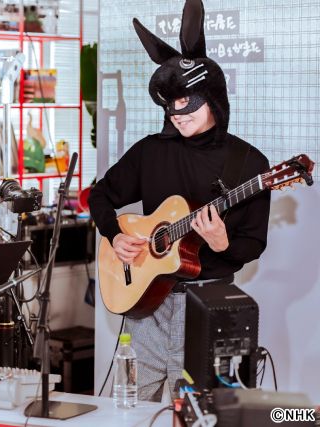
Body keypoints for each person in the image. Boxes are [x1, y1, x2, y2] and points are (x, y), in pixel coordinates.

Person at [88, 0, 271, 402]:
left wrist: (223, 243)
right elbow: (101, 194)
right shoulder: (151, 151)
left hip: (208, 305)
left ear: (215, 100)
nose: (179, 117)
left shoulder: (250, 164)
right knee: (134, 406)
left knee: (202, 408)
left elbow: (254, 243)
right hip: (147, 306)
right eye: (171, 111)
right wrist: (114, 231)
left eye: (189, 108)